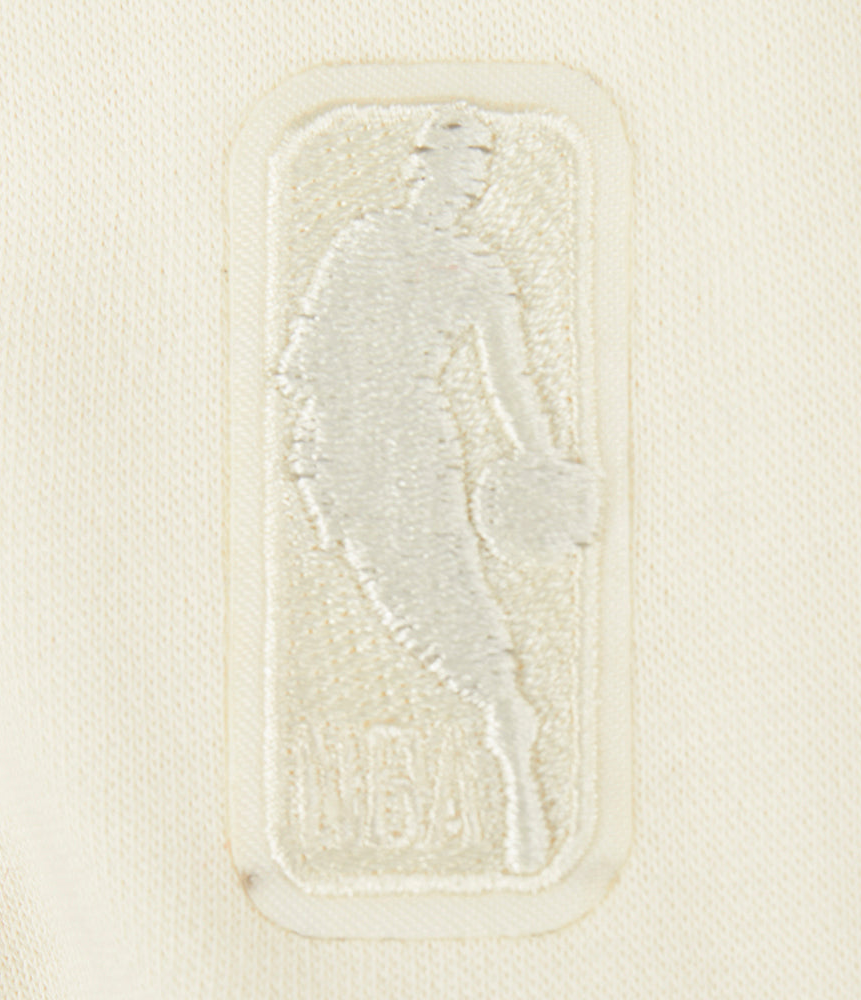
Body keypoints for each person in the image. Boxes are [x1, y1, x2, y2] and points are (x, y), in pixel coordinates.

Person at [276, 105, 597, 874]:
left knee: (447, 602)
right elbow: (302, 358)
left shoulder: (480, 273)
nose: (467, 181)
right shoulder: (362, 242)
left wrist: (543, 461)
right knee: (400, 603)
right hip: (343, 450)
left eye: (478, 168)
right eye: (456, 163)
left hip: (411, 447)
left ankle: (512, 749)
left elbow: (511, 383)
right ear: (421, 166)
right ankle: (503, 727)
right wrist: (310, 454)